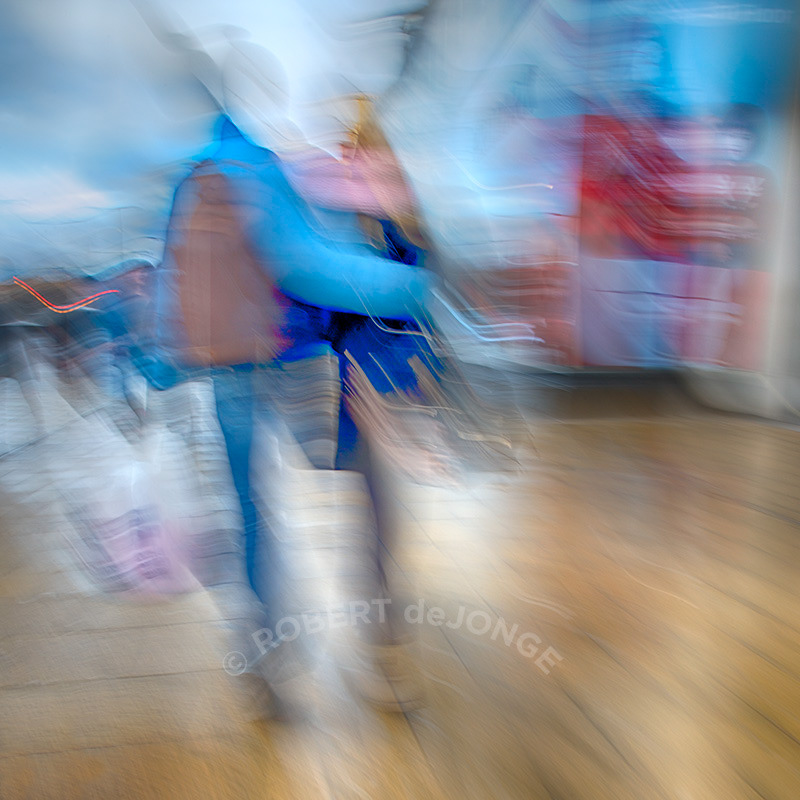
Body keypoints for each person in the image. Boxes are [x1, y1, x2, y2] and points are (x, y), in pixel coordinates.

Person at [148, 113, 437, 715]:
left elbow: (169, 285)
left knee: (252, 512)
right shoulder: (258, 168)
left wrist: (159, 367)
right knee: (367, 485)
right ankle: (379, 650)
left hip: (223, 369)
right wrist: (415, 289)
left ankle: (262, 665)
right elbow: (304, 265)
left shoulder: (190, 179)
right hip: (294, 358)